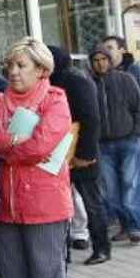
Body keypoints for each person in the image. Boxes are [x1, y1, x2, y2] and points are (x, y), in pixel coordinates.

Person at [0, 38, 73, 278]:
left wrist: (5, 146)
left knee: (45, 267)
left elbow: (41, 146)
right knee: (11, 267)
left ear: (41, 69)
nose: (13, 72)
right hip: (5, 201)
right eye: (10, 65)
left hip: (43, 201)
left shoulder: (55, 99)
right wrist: (12, 141)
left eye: (21, 65)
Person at [48, 46, 109, 264]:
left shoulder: (75, 80)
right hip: (63, 154)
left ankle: (102, 248)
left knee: (92, 203)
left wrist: (85, 154)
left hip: (82, 154)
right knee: (62, 203)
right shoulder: (54, 80)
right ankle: (65, 253)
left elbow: (91, 119)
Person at [90, 46, 140, 244]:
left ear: (110, 60)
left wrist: (137, 133)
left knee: (131, 183)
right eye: (96, 60)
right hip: (104, 145)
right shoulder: (90, 84)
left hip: (128, 140)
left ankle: (134, 226)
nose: (100, 63)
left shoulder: (125, 79)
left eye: (103, 59)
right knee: (111, 190)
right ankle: (124, 225)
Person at [100, 36, 140, 227]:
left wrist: (136, 129)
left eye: (110, 47)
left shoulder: (134, 70)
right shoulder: (99, 76)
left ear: (122, 50)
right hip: (109, 139)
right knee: (116, 184)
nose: (106, 51)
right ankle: (127, 222)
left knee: (137, 179)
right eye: (104, 48)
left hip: (133, 136)